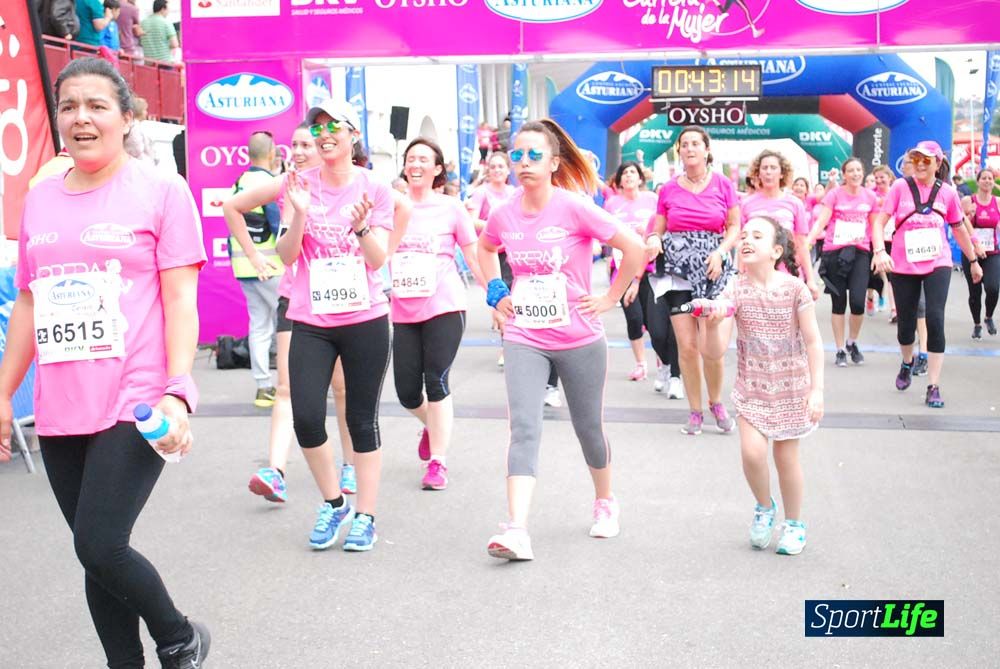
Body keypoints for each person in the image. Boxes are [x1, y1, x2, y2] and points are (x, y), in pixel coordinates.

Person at [0, 57, 209, 667]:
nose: (81, 118)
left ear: (126, 117)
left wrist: (177, 389)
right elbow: (30, 305)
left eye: (96, 105)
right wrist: (2, 393)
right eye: (68, 106)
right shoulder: (40, 199)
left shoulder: (161, 191)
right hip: (62, 405)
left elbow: (181, 299)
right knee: (94, 553)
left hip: (135, 397)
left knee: (100, 543)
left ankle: (179, 637)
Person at [236, 99, 400, 552]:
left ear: (352, 135)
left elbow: (378, 260)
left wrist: (362, 229)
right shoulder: (298, 183)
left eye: (333, 127)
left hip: (365, 318)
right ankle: (334, 502)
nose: (324, 135)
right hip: (311, 318)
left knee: (361, 420)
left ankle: (365, 515)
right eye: (317, 128)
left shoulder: (375, 187)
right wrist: (301, 214)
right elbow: (287, 256)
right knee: (307, 417)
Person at [477, 119, 643, 561]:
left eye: (535, 155)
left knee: (588, 427)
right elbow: (485, 247)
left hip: (578, 336)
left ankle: (605, 500)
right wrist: (496, 291)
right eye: (517, 154)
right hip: (524, 335)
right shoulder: (504, 213)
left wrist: (609, 298)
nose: (524, 162)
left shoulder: (575, 207)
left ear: (554, 163)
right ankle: (516, 528)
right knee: (524, 426)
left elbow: (634, 247)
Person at [700, 215, 824, 555]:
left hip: (791, 389)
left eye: (757, 236)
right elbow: (713, 353)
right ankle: (764, 506)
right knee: (752, 453)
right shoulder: (733, 289)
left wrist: (817, 390)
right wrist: (711, 325)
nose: (747, 241)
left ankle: (794, 523)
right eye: (744, 236)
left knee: (786, 458)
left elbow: (813, 342)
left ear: (776, 251)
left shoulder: (795, 289)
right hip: (752, 388)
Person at [394, 138, 485, 490]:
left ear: (436, 169)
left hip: (445, 305)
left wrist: (495, 296)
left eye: (423, 159)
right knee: (406, 392)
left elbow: (473, 255)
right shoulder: (392, 207)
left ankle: (438, 463)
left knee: (436, 382)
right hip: (404, 309)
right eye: (411, 158)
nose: (415, 164)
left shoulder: (451, 208)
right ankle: (433, 426)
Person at [872, 141, 982, 408]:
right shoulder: (900, 187)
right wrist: (879, 251)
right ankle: (907, 361)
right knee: (906, 325)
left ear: (937, 163)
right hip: (903, 263)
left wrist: (973, 260)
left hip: (937, 262)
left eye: (926, 160)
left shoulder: (947, 192)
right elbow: (879, 221)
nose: (921, 164)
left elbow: (958, 228)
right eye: (917, 159)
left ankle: (933, 385)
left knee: (935, 317)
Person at [644, 125, 739, 435]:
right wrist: (654, 238)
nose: (689, 149)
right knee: (687, 346)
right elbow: (658, 227)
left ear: (706, 150)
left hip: (713, 269)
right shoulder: (669, 189)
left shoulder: (723, 184)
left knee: (710, 346)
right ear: (679, 151)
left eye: (695, 143)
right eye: (684, 144)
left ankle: (716, 402)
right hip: (678, 271)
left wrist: (721, 252)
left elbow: (734, 227)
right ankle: (695, 410)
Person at [604, 160, 682, 397]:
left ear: (640, 178)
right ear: (619, 180)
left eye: (632, 172)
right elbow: (605, 233)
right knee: (634, 317)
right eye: (624, 173)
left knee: (655, 323)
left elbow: (660, 227)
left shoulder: (652, 200)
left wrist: (646, 234)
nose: (628, 176)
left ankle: (664, 364)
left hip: (650, 268)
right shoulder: (612, 203)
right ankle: (641, 363)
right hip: (622, 267)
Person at [222, 131, 282, 409]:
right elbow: (279, 227)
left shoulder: (239, 183)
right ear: (271, 154)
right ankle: (294, 384)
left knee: (259, 325)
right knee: (290, 325)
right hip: (271, 266)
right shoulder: (269, 184)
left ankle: (263, 387)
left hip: (244, 268)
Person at [806, 157, 876, 368]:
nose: (855, 174)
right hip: (835, 251)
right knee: (838, 302)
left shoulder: (870, 196)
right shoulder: (835, 194)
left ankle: (852, 342)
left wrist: (879, 251)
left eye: (858, 170)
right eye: (851, 170)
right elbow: (822, 220)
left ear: (863, 173)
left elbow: (875, 226)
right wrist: (809, 241)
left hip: (860, 251)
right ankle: (839, 349)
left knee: (857, 302)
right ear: (844, 175)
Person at [742, 149, 819, 299]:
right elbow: (742, 244)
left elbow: (801, 244)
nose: (768, 172)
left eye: (773, 168)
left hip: (787, 272)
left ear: (782, 173)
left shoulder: (794, 203)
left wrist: (810, 279)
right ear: (758, 173)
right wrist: (740, 274)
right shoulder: (747, 204)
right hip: (755, 275)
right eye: (764, 168)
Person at [466, 151, 517, 367]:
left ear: (508, 170)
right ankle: (507, 346)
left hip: (514, 250)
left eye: (500, 166)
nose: (497, 170)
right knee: (502, 297)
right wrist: (495, 227)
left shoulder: (515, 193)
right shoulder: (481, 193)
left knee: (517, 297)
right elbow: (471, 220)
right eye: (493, 166)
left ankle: (515, 344)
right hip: (491, 251)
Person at [960, 169, 999, 338]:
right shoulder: (968, 201)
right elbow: (958, 223)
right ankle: (977, 324)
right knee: (974, 292)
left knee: (993, 288)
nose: (987, 181)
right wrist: (969, 214)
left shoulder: (997, 202)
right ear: (978, 181)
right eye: (984, 178)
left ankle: (988, 316)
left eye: (990, 178)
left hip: (992, 252)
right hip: (971, 252)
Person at [124, 97, 158, 164]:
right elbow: (137, 150)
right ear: (139, 111)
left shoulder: (134, 125)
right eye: (145, 110)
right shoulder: (134, 127)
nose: (146, 113)